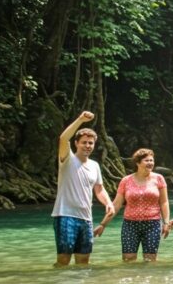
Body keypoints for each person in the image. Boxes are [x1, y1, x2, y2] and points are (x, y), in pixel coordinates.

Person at [51, 111, 113, 267]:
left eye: (90, 143)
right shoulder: (67, 159)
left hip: (86, 219)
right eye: (84, 142)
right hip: (65, 215)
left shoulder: (95, 166)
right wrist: (81, 120)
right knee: (63, 260)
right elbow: (63, 138)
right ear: (76, 143)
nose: (87, 146)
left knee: (84, 262)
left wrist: (108, 203)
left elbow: (99, 189)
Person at [94, 148, 170, 261]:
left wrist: (166, 222)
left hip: (152, 224)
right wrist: (103, 224)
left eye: (151, 160)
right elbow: (116, 204)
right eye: (146, 160)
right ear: (138, 163)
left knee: (150, 259)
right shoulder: (126, 180)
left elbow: (164, 202)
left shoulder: (159, 179)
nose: (150, 163)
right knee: (128, 259)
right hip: (130, 225)